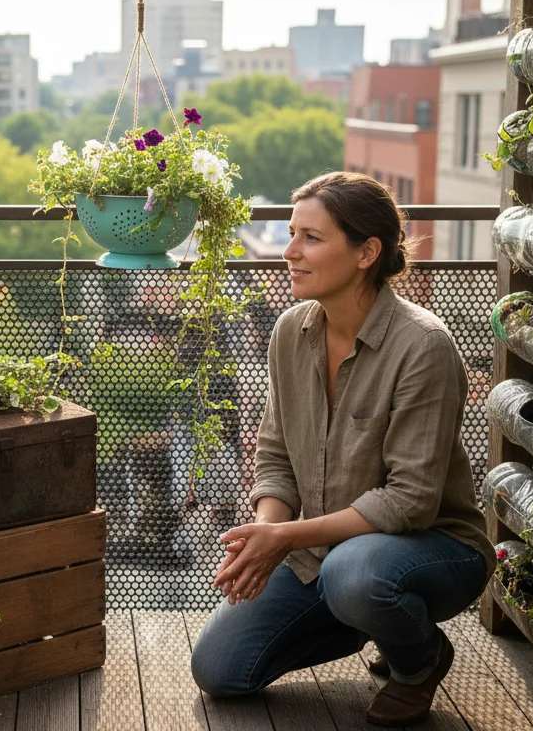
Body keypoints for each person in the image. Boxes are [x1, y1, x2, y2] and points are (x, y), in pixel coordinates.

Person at [189, 172, 494, 727]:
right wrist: (265, 535)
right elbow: (275, 455)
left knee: (356, 574)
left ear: (366, 252)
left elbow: (409, 502)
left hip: (433, 548)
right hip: (323, 555)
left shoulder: (423, 346)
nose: (289, 252)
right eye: (290, 233)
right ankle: (375, 620)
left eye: (311, 237)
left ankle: (417, 661)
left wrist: (284, 537)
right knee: (220, 670)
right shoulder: (289, 330)